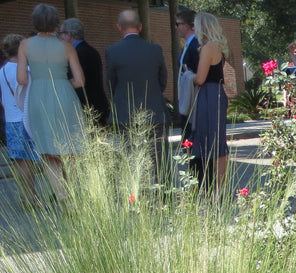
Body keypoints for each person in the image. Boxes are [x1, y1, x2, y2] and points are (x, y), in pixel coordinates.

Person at [17, 3, 85, 204]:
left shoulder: (25, 45)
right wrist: (62, 84)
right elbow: (80, 81)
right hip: (65, 96)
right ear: (56, 23)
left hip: (39, 97)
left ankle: (62, 195)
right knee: (71, 150)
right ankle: (74, 195)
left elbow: (21, 79)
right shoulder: (66, 47)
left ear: (34, 22)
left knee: (48, 152)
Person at [105, 8, 169, 179]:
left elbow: (110, 83)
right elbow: (163, 79)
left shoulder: (112, 51)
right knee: (159, 160)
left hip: (126, 114)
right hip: (155, 111)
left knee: (131, 161)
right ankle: (165, 198)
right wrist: (153, 95)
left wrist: (118, 100)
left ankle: (135, 199)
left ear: (119, 27)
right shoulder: (155, 49)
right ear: (140, 27)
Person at [190, 12, 230, 192]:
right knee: (217, 140)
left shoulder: (207, 48)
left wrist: (187, 77)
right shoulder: (219, 47)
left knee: (211, 140)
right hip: (216, 94)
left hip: (209, 95)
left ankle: (217, 189)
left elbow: (200, 78)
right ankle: (219, 189)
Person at [1, 34, 39, 205]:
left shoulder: (1, 71)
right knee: (29, 161)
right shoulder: (27, 71)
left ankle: (24, 195)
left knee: (18, 160)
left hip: (10, 120)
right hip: (25, 119)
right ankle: (32, 196)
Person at [59, 17, 109, 127]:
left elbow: (79, 82)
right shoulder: (90, 50)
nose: (60, 37)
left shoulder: (78, 53)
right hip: (96, 106)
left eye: (61, 33)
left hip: (87, 109)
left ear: (69, 34)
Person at [174, 7, 200, 138]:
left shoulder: (197, 46)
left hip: (193, 99)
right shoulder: (187, 46)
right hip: (186, 97)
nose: (176, 27)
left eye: (178, 24)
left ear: (187, 26)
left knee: (190, 135)